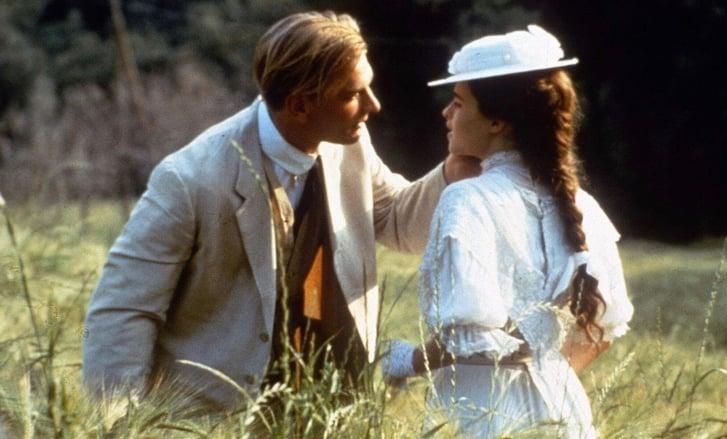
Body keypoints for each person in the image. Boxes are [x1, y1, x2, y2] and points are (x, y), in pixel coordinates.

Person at [82, 11, 480, 410]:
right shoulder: (190, 178)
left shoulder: (349, 142)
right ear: (299, 105)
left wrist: (453, 172)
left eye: (368, 87)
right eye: (351, 95)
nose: (372, 105)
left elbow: (395, 220)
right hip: (219, 420)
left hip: (329, 410)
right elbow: (124, 308)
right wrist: (120, 423)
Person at [382, 25, 634, 438]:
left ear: (497, 120)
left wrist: (404, 361)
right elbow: (602, 329)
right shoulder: (582, 205)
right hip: (563, 411)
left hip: (484, 413)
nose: (446, 114)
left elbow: (469, 336)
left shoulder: (467, 199)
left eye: (459, 102)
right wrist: (544, 373)